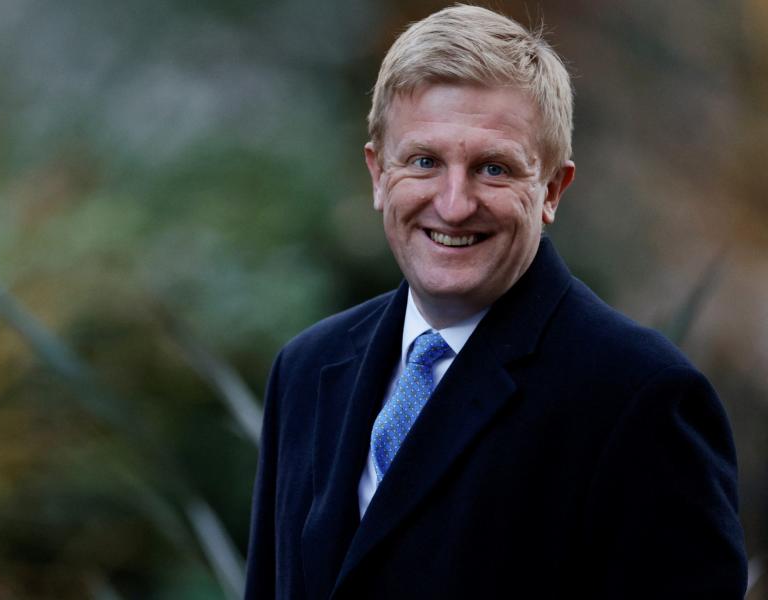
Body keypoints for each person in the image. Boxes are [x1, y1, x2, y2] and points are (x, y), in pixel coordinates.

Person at [244, 4, 747, 599]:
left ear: (553, 189)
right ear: (378, 174)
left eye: (493, 168)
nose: (454, 204)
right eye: (425, 161)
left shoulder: (640, 399)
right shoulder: (305, 369)